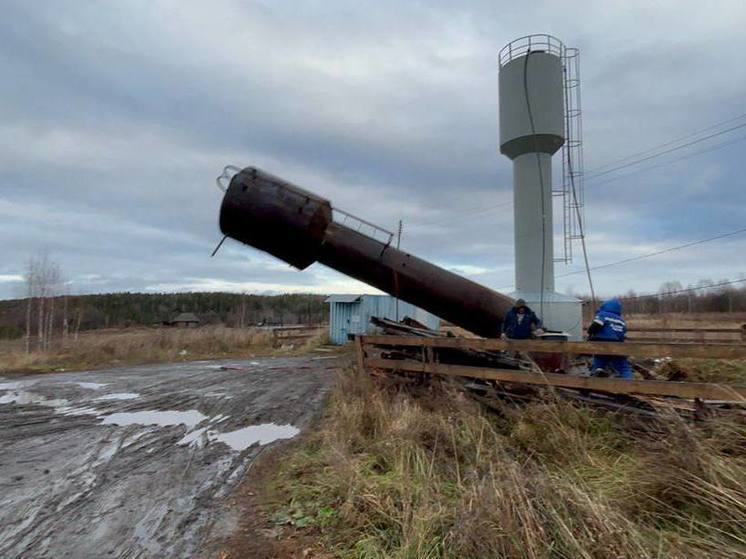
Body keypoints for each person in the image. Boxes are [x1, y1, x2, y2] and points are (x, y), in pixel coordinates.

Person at [587, 298, 632, 379]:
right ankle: (629, 385)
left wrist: (590, 332)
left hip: (602, 344)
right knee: (623, 368)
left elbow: (596, 325)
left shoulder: (603, 314)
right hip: (617, 345)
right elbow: (623, 332)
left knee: (599, 363)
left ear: (605, 306)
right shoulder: (621, 320)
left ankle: (594, 381)